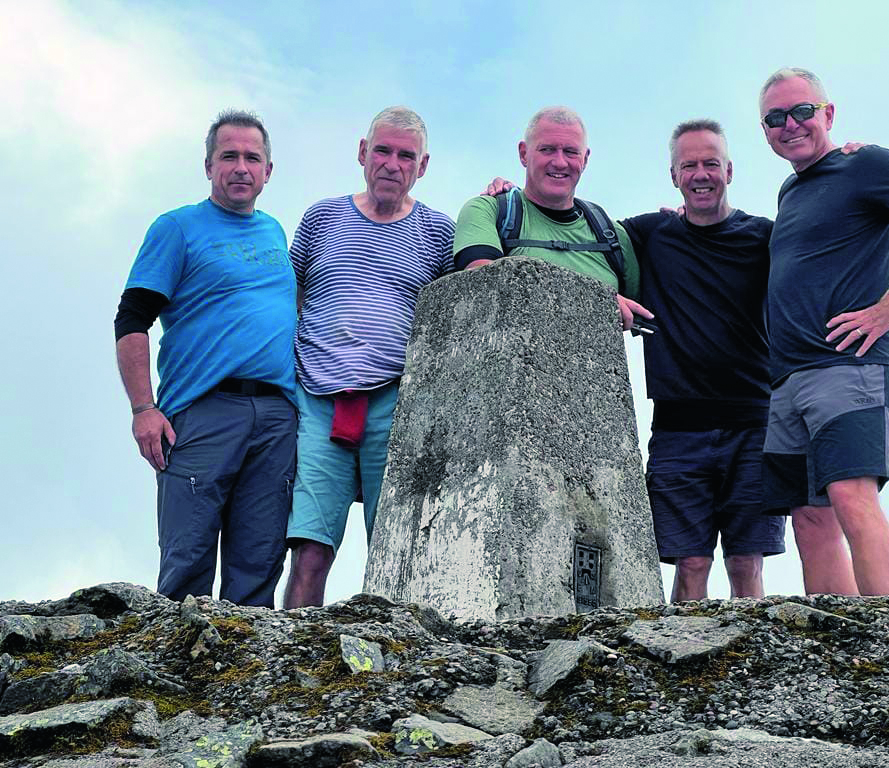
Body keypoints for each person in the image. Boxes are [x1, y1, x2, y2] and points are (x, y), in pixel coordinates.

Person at [758, 67, 889, 596]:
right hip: (788, 380)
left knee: (851, 494)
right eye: (775, 118)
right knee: (810, 519)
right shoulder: (791, 189)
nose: (791, 124)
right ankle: (844, 656)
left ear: (828, 114)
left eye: (803, 110)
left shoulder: (866, 163)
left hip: (850, 365)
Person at [114, 110, 297, 608]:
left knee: (260, 558)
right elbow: (131, 319)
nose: (241, 167)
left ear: (268, 170)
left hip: (277, 415)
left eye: (252, 158)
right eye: (229, 156)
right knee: (187, 555)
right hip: (201, 411)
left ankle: (248, 681)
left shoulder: (275, 233)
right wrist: (141, 410)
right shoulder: (177, 228)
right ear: (209, 165)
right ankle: (169, 680)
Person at [283, 106, 455, 609]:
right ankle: (293, 665)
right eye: (382, 151)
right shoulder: (320, 219)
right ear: (363, 153)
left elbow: (454, 315)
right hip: (319, 397)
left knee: (394, 548)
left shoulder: (437, 231)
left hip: (395, 404)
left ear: (422, 167)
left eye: (406, 156)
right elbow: (287, 300)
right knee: (310, 550)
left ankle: (390, 672)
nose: (392, 164)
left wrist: (498, 201)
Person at [620, 120, 785, 601]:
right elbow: (576, 234)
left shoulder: (764, 237)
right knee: (690, 562)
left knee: (745, 562)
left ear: (729, 170)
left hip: (756, 423)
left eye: (710, 163)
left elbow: (824, 245)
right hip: (678, 429)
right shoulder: (651, 233)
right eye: (688, 165)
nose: (700, 174)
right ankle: (682, 663)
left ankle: (750, 669)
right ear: (673, 176)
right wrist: (506, 197)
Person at [454, 106, 649, 329]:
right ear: (523, 153)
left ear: (585, 159)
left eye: (571, 152)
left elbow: (651, 311)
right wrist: (598, 300)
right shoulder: (489, 211)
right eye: (547, 149)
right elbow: (484, 283)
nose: (559, 162)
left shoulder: (612, 236)